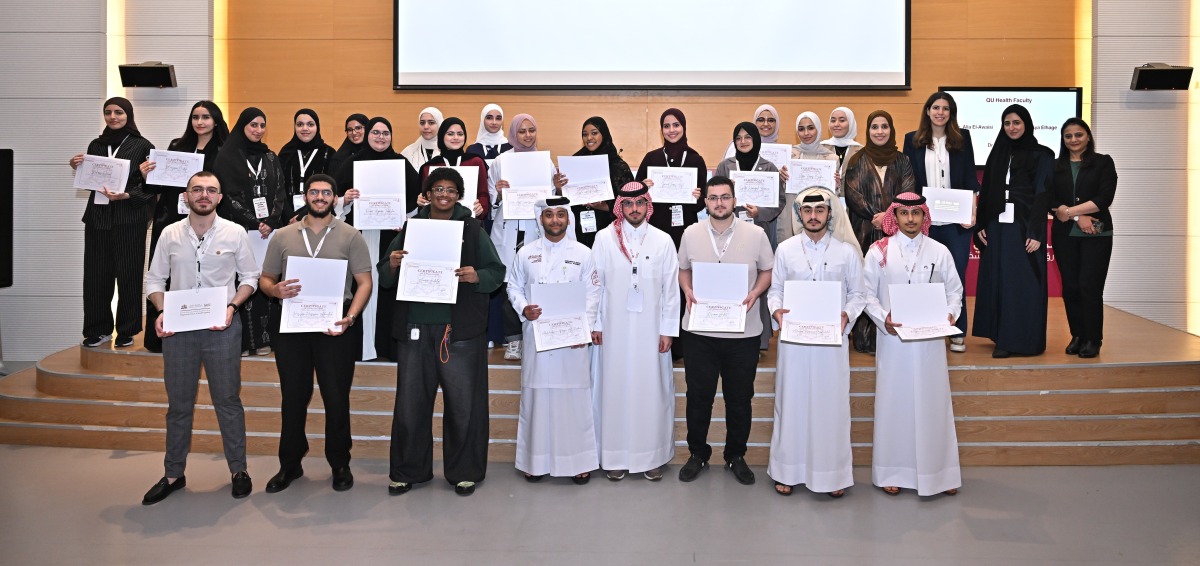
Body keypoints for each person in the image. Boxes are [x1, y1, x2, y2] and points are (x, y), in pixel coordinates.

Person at [380, 167, 506, 496]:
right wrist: (392, 263)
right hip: (414, 329)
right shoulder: (411, 227)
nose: (444, 195)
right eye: (438, 189)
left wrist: (475, 276)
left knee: (464, 404)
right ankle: (408, 470)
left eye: (451, 190)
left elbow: (496, 272)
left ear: (458, 195)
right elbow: (383, 274)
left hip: (459, 332)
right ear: (429, 193)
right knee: (410, 403)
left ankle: (464, 471)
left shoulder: (473, 229)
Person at [141, 171, 257, 504]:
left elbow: (249, 277)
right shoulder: (169, 234)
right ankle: (173, 473)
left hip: (221, 328)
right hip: (178, 331)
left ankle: (239, 470)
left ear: (220, 198)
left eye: (210, 190)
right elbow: (153, 281)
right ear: (186, 196)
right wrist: (162, 311)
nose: (203, 195)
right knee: (178, 406)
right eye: (197, 189)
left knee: (228, 402)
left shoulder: (234, 233)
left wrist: (233, 306)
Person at [258, 173, 373, 493]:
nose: (320, 197)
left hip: (335, 327)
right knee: (293, 398)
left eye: (326, 193)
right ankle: (290, 464)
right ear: (305, 197)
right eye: (314, 192)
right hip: (292, 327)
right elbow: (265, 279)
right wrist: (275, 290)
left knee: (336, 398)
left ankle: (340, 463)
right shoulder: (282, 235)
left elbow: (365, 283)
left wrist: (350, 318)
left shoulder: (351, 236)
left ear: (335, 199)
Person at [766, 186, 865, 497]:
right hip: (794, 342)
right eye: (807, 211)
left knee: (831, 406)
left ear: (829, 214)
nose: (813, 216)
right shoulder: (785, 250)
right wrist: (777, 312)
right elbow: (775, 292)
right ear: (799, 215)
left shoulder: (847, 253)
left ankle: (832, 475)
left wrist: (847, 316)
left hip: (831, 343)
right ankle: (787, 471)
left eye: (819, 210)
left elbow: (859, 294)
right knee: (791, 403)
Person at [675, 176, 773, 486]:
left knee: (740, 399)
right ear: (705, 201)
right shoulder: (690, 233)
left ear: (735, 200)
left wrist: (756, 292)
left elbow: (768, 271)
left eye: (725, 197)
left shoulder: (755, 234)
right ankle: (698, 454)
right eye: (713, 197)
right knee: (698, 398)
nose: (719, 203)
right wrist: (687, 290)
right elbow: (683, 269)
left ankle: (736, 455)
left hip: (743, 333)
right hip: (700, 332)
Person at [863, 193, 963, 497]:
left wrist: (949, 314)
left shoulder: (940, 251)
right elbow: (866, 295)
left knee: (933, 404)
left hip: (930, 344)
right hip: (893, 342)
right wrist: (884, 318)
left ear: (924, 216)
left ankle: (940, 475)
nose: (910, 219)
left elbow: (955, 293)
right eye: (904, 213)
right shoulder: (878, 251)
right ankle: (892, 471)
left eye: (916, 213)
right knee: (895, 404)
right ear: (895, 215)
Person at [506, 197, 601, 484]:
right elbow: (513, 285)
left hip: (572, 341)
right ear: (541, 219)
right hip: (537, 336)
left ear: (568, 219)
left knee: (573, 399)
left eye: (561, 215)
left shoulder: (583, 253)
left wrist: (582, 330)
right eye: (549, 215)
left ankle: (578, 462)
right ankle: (535, 462)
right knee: (537, 398)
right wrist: (523, 308)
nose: (555, 220)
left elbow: (594, 294)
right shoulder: (526, 253)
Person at [590, 181, 680, 482]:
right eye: (628, 204)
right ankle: (614, 456)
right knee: (613, 388)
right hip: (613, 329)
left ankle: (651, 456)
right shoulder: (604, 239)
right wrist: (595, 324)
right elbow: (595, 286)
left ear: (648, 206)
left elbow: (671, 291)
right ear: (620, 207)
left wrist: (668, 330)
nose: (634, 210)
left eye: (640, 203)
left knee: (650, 390)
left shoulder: (663, 240)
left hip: (651, 331)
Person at [139, 101, 229, 353]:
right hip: (169, 220)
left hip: (206, 221)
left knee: (201, 272)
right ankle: (161, 334)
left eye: (206, 117)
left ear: (216, 120)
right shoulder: (177, 146)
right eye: (195, 117)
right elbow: (157, 187)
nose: (200, 122)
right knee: (164, 275)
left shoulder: (224, 150)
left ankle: (203, 328)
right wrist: (148, 176)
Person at [334, 116, 422, 361]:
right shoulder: (353, 163)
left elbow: (417, 199)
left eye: (385, 133)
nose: (381, 137)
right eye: (376, 132)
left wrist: (403, 215)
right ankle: (359, 347)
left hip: (389, 238)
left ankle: (386, 346)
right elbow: (335, 199)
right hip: (359, 236)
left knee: (387, 286)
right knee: (358, 283)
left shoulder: (400, 163)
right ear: (367, 134)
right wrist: (345, 199)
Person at [69, 97, 155, 349]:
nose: (113, 117)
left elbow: (153, 187)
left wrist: (128, 194)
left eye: (118, 112)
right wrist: (77, 168)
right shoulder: (96, 145)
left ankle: (127, 329)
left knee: (129, 274)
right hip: (98, 219)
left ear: (128, 114)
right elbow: (92, 180)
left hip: (129, 219)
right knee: (95, 276)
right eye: (108, 112)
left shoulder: (142, 146)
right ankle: (98, 329)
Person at [973, 104, 1054, 358]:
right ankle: (1002, 337)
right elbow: (987, 192)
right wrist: (981, 225)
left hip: (1025, 228)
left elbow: (1043, 194)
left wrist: (1037, 232)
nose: (1012, 128)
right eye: (1007, 123)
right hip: (998, 227)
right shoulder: (998, 152)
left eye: (1016, 122)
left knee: (1024, 282)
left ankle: (1023, 340)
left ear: (1026, 124)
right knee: (1000, 280)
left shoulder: (1043, 154)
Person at [902, 92, 980, 353]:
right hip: (925, 223)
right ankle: (927, 328)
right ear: (927, 111)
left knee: (955, 276)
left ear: (951, 113)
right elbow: (908, 182)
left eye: (946, 108)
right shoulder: (912, 140)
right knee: (924, 274)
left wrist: (973, 213)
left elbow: (970, 178)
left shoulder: (963, 139)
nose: (940, 112)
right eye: (936, 107)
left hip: (956, 223)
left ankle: (956, 331)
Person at [487, 114, 568, 360]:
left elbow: (553, 202)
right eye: (522, 131)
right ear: (513, 134)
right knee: (510, 286)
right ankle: (513, 341)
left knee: (535, 284)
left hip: (534, 231)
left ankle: (537, 336)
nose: (527, 135)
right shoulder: (501, 161)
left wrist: (557, 187)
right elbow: (491, 200)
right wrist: (499, 194)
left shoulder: (545, 163)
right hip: (508, 231)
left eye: (531, 130)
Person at [213, 107, 287, 357]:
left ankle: (265, 338)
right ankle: (244, 341)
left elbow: (280, 192)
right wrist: (255, 222)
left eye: (262, 125)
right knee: (242, 282)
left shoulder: (271, 156)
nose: (258, 130)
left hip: (267, 234)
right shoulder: (227, 157)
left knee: (266, 280)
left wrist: (271, 220)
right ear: (243, 126)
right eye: (253, 125)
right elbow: (228, 197)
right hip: (240, 231)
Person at [844, 110, 915, 353]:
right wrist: (877, 215)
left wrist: (889, 216)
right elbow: (852, 194)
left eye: (884, 126)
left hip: (895, 232)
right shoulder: (856, 160)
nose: (880, 131)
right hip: (863, 230)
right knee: (865, 282)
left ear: (891, 129)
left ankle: (895, 329)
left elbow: (908, 190)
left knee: (890, 281)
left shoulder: (903, 160)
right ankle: (864, 339)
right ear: (868, 130)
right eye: (875, 127)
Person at [1049, 118, 1117, 358]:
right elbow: (1049, 200)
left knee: (1090, 286)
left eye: (1079, 135)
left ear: (1088, 136)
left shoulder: (1103, 162)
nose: (1074, 140)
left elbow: (1104, 198)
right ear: (1063, 140)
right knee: (1071, 287)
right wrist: (1079, 218)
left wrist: (1072, 212)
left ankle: (1093, 338)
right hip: (1065, 234)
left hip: (1096, 233)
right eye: (1068, 136)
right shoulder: (1055, 166)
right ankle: (1077, 335)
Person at [634, 108, 707, 248]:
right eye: (666, 126)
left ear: (683, 127)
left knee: (683, 268)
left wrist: (698, 197)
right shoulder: (651, 158)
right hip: (655, 227)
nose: (671, 130)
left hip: (685, 228)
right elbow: (635, 196)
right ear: (662, 130)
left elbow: (703, 201)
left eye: (676, 125)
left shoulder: (696, 159)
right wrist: (642, 187)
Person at [565, 116, 633, 247]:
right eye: (585, 134)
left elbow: (629, 202)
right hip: (579, 231)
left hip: (608, 230)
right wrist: (559, 187)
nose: (589, 138)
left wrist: (603, 206)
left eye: (594, 133)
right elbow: (566, 199)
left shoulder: (618, 166)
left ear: (604, 134)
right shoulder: (575, 161)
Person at [780, 111, 839, 244]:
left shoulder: (831, 158)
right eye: (801, 129)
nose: (806, 133)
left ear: (818, 128)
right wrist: (779, 177)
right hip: (791, 216)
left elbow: (833, 197)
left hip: (817, 216)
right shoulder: (788, 155)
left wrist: (836, 186)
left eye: (810, 128)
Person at [420, 116, 490, 219]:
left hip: (469, 222)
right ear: (442, 136)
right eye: (450, 134)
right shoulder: (429, 166)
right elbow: (426, 197)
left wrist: (481, 207)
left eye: (460, 134)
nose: (456, 137)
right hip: (437, 222)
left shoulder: (476, 161)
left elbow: (483, 193)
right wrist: (421, 201)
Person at [279, 108, 336, 224]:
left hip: (319, 216)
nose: (305, 128)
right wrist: (289, 216)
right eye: (300, 124)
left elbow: (331, 190)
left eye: (310, 124)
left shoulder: (329, 153)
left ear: (317, 127)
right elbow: (278, 187)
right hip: (287, 218)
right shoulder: (286, 153)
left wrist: (302, 216)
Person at [820, 107, 862, 196]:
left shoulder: (861, 151)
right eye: (833, 120)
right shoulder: (821, 148)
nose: (836, 124)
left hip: (852, 204)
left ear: (851, 123)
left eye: (842, 120)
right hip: (824, 203)